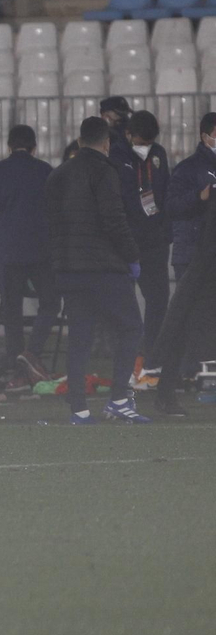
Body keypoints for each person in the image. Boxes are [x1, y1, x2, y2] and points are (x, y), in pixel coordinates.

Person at [45, 117, 151, 424]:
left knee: (80, 335)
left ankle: (78, 408)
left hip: (68, 268)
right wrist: (132, 256)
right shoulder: (106, 172)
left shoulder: (58, 174)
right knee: (131, 327)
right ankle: (119, 398)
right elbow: (114, 219)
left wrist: (58, 263)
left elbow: (50, 224)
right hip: (104, 267)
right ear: (106, 144)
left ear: (79, 142)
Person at [0, 124, 59, 384]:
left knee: (11, 310)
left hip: (8, 252)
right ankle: (32, 353)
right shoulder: (46, 171)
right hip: (41, 251)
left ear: (8, 146)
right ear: (34, 147)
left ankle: (18, 367)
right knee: (50, 303)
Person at [153, 189, 216, 417]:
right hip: (203, 269)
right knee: (180, 329)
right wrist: (198, 198)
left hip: (202, 267)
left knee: (180, 328)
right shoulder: (204, 186)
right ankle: (165, 393)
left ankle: (165, 394)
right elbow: (175, 209)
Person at [119, 110, 170, 391]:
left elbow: (164, 193)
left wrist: (164, 232)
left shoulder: (159, 154)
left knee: (158, 300)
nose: (145, 145)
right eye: (141, 140)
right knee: (124, 305)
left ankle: (151, 359)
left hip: (154, 242)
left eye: (149, 141)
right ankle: (126, 363)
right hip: (126, 242)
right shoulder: (118, 158)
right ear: (129, 135)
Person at [167, 112, 216, 282]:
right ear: (205, 136)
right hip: (193, 255)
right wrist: (199, 197)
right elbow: (172, 206)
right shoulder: (187, 168)